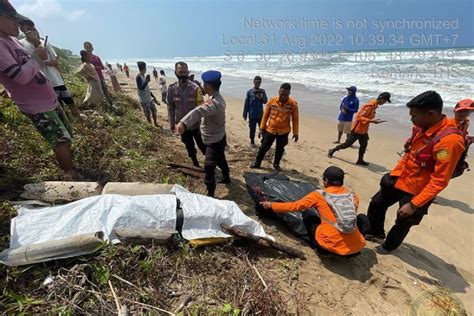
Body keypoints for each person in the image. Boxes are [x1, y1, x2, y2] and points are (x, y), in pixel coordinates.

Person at [365, 91, 465, 254]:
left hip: (419, 190)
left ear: (430, 114)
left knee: (404, 220)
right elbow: (410, 152)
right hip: (402, 178)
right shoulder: (422, 127)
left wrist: (413, 204)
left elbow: (440, 180)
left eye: (414, 116)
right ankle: (376, 232)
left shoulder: (449, 142)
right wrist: (393, 175)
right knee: (377, 203)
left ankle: (388, 246)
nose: (411, 120)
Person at [0, 2, 76, 178]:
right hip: (36, 106)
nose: (17, 24)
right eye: (12, 19)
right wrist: (36, 58)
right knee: (60, 142)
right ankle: (70, 175)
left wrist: (35, 49)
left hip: (48, 100)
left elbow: (32, 65)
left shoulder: (11, 41)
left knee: (67, 135)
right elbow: (20, 76)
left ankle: (70, 168)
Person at [260, 166, 367, 256]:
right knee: (362, 217)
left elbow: (294, 206)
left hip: (329, 246)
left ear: (326, 181)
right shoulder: (353, 195)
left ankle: (316, 245)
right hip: (356, 248)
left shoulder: (318, 195)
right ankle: (353, 240)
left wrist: (271, 205)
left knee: (307, 213)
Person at [176, 70, 230, 197]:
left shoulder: (216, 103)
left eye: (204, 84)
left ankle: (210, 193)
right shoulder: (214, 97)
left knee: (209, 166)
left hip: (214, 140)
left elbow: (198, 111)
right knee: (221, 159)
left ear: (208, 86)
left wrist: (183, 123)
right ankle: (227, 177)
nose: (202, 86)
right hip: (216, 137)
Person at [19, 18, 82, 118]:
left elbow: (55, 61)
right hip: (44, 82)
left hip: (57, 80)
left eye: (33, 28)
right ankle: (67, 124)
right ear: (21, 29)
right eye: (28, 29)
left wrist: (41, 58)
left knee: (70, 102)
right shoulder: (20, 44)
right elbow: (27, 64)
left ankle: (79, 120)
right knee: (58, 107)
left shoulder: (44, 42)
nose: (31, 31)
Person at [328, 92, 391, 166]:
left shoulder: (375, 106)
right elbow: (360, 117)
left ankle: (360, 160)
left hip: (364, 130)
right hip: (357, 129)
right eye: (385, 101)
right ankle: (332, 150)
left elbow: (367, 116)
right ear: (381, 99)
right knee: (347, 144)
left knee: (364, 145)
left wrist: (374, 120)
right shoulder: (370, 106)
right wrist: (372, 121)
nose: (384, 103)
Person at [250, 83, 299, 171]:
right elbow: (265, 115)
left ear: (289, 93)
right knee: (264, 147)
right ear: (279, 91)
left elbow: (295, 119)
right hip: (271, 130)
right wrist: (261, 128)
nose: (283, 96)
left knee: (280, 149)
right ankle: (257, 163)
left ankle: (276, 164)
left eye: (286, 95)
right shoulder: (272, 101)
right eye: (282, 94)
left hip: (284, 131)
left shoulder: (293, 104)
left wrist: (296, 133)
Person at [167, 62, 206, 167]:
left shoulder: (195, 88)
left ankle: (210, 163)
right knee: (189, 146)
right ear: (176, 73)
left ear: (188, 72)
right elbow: (170, 106)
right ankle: (195, 163)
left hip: (196, 125)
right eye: (180, 72)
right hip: (182, 126)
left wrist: (202, 125)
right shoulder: (171, 89)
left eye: (185, 72)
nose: (183, 74)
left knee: (203, 145)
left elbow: (201, 107)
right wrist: (171, 123)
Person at [83, 41, 112, 106]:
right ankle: (102, 106)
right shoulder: (85, 59)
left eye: (89, 47)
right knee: (96, 93)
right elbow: (84, 68)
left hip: (100, 77)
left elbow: (102, 67)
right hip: (92, 78)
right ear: (84, 48)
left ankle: (110, 104)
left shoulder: (96, 57)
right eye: (86, 47)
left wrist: (95, 67)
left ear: (92, 48)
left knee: (105, 91)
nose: (88, 48)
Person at [243, 76, 268, 147]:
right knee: (252, 130)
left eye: (259, 83)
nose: (258, 84)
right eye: (257, 82)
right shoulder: (249, 92)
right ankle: (252, 141)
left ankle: (263, 141)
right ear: (253, 82)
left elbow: (265, 101)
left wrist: (261, 98)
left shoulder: (262, 91)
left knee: (263, 129)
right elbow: (246, 103)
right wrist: (245, 113)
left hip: (260, 115)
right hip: (252, 115)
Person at [136, 61, 159, 127]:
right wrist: (146, 81)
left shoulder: (143, 76)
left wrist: (153, 97)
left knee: (154, 111)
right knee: (147, 114)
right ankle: (150, 125)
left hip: (149, 99)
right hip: (143, 100)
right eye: (145, 67)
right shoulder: (138, 77)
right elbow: (141, 88)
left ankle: (155, 123)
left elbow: (147, 89)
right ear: (143, 68)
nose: (146, 69)